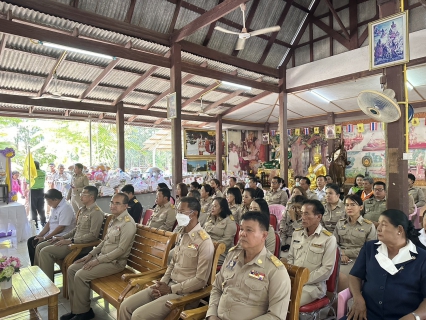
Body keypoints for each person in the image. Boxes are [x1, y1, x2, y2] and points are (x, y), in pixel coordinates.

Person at [119, 197, 214, 320]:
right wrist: (162, 283)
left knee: (138, 316)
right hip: (168, 285)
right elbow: (172, 264)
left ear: (194, 214)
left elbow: (200, 280)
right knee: (125, 306)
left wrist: (170, 289)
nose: (178, 215)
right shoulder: (181, 234)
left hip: (185, 294)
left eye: (181, 212)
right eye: (177, 211)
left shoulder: (204, 242)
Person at [61, 193, 137, 320]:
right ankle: (76, 310)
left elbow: (120, 250)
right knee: (72, 269)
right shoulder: (114, 219)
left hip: (115, 263)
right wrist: (90, 255)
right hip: (102, 258)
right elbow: (104, 242)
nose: (113, 205)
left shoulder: (128, 224)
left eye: (117, 203)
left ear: (125, 206)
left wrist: (97, 260)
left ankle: (84, 312)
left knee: (81, 275)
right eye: (112, 202)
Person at [206, 211, 291, 320]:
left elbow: (276, 316)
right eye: (241, 229)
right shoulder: (232, 255)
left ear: (264, 235)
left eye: (249, 230)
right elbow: (217, 288)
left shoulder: (275, 270)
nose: (242, 234)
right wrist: (212, 315)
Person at [344, 209, 426, 320]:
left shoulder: (421, 258)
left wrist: (414, 316)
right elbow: (355, 275)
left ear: (399, 230)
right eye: (379, 224)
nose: (378, 228)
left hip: (403, 316)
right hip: (367, 314)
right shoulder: (370, 248)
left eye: (384, 225)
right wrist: (358, 298)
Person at [38, 186, 104, 281]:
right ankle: (40, 279)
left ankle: (48, 285)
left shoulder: (96, 212)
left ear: (91, 197)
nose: (80, 196)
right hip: (72, 242)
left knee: (45, 251)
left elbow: (93, 236)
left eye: (83, 194)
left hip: (81, 246)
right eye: (81, 194)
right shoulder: (83, 210)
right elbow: (76, 229)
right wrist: (63, 238)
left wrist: (70, 240)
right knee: (41, 245)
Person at [287, 199, 337, 306]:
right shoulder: (297, 233)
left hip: (313, 286)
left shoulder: (328, 239)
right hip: (293, 280)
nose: (302, 217)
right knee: (271, 296)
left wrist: (302, 280)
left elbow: (326, 270)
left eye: (306, 214)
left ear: (318, 217)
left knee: (289, 301)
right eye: (302, 213)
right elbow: (290, 258)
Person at [334, 194, 376, 291]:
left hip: (359, 260)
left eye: (353, 205)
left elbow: (369, 250)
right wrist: (341, 253)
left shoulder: (369, 226)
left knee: (341, 276)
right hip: (339, 257)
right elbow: (334, 243)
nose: (349, 207)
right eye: (347, 205)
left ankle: (341, 302)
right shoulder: (340, 223)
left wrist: (345, 253)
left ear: (361, 207)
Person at [27, 189, 76, 266]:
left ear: (56, 200)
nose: (48, 204)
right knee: (32, 241)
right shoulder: (55, 206)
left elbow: (61, 228)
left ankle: (40, 268)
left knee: (39, 245)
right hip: (51, 234)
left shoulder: (66, 208)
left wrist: (45, 238)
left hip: (60, 236)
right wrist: (40, 235)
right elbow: (49, 223)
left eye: (49, 201)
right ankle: (35, 266)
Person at [204, 197, 237, 264]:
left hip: (220, 252)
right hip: (206, 248)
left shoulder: (229, 221)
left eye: (215, 206)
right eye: (212, 206)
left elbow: (226, 241)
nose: (212, 208)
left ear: (222, 208)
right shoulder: (210, 218)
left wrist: (210, 245)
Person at [28, 161, 47, 228]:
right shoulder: (43, 172)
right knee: (41, 208)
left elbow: (28, 181)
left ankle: (35, 223)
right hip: (41, 191)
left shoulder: (31, 174)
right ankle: (43, 222)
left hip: (33, 191)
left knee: (33, 208)